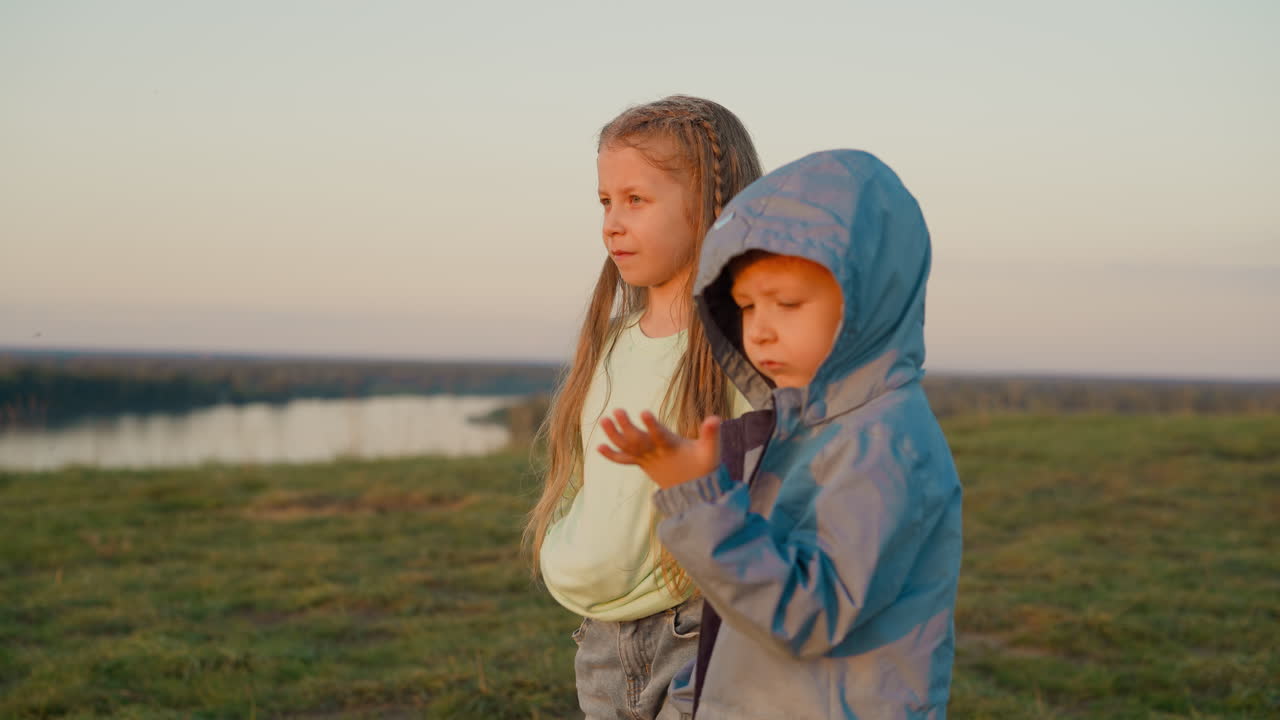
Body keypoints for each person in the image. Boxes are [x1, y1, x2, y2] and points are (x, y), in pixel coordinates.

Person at [597, 149, 963, 719]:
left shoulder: (886, 445)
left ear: (869, 300)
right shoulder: (801, 429)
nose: (760, 331)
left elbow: (806, 613)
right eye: (745, 306)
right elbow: (746, 611)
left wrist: (699, 500)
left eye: (787, 304)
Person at [524, 95, 764, 720]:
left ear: (710, 205)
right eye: (605, 201)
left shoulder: (750, 347)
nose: (612, 223)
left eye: (636, 199)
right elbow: (586, 473)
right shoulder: (610, 342)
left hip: (700, 631)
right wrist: (566, 543)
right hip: (600, 640)